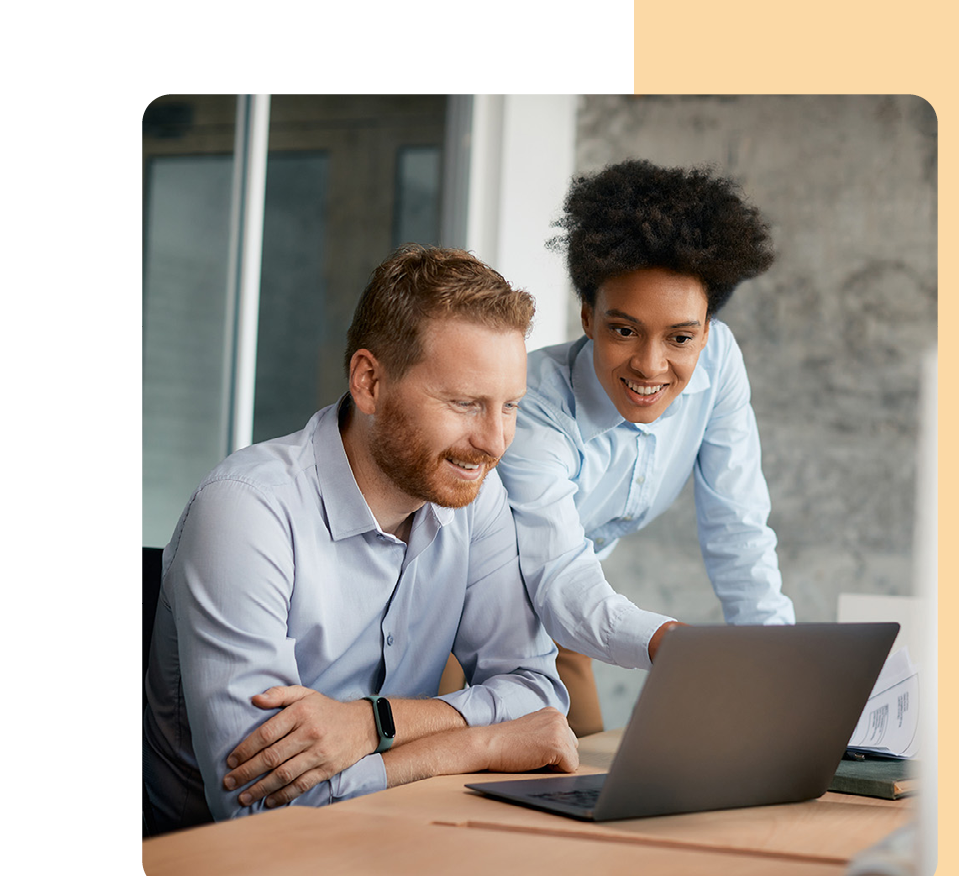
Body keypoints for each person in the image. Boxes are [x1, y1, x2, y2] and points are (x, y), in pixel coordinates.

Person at [143, 245, 577, 836]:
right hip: (225, 873)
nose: (495, 441)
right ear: (369, 381)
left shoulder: (476, 493)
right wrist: (477, 745)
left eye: (510, 407)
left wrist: (372, 725)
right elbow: (259, 807)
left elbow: (536, 692)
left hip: (395, 838)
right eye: (464, 404)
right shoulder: (246, 510)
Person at [497, 159, 795, 735]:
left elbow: (739, 529)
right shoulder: (532, 405)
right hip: (468, 618)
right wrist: (668, 643)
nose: (651, 365)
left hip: (572, 615)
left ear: (706, 332)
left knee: (581, 782)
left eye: (681, 337)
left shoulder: (719, 363)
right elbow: (555, 574)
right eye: (624, 330)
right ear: (588, 316)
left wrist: (780, 664)